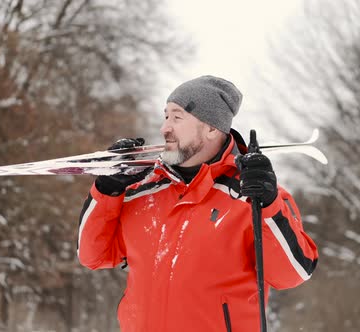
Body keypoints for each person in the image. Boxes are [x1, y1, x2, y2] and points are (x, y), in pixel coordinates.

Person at [77, 75, 318, 332]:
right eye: (166, 116)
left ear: (212, 128)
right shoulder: (144, 190)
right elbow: (93, 256)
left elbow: (293, 273)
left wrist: (269, 204)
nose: (164, 128)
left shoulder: (252, 196)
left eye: (177, 118)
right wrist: (107, 189)